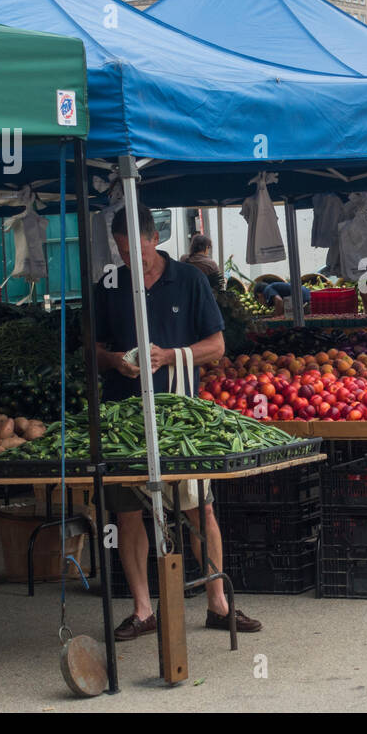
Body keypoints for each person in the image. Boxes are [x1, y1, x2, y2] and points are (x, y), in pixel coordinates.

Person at [95, 205, 261, 640]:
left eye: (139, 252)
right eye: (123, 253)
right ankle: (143, 609)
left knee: (199, 506)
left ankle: (217, 603)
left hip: (179, 416)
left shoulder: (188, 281)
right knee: (128, 515)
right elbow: (91, 350)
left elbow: (217, 346)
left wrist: (168, 356)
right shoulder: (110, 285)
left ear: (155, 239)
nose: (133, 262)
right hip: (124, 419)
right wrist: (115, 360)